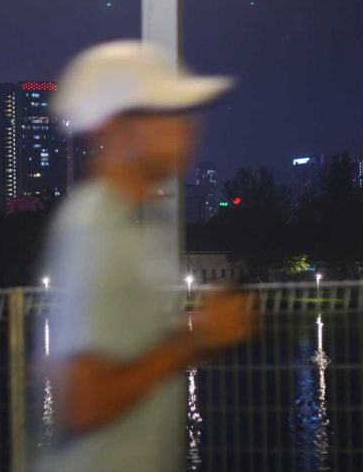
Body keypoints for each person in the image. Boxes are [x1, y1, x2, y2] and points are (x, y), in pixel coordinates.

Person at [32, 41, 258, 471]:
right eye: (166, 115)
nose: (187, 128)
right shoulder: (93, 225)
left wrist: (194, 341)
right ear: (116, 128)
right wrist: (196, 339)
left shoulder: (135, 224)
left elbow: (135, 356)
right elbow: (83, 400)